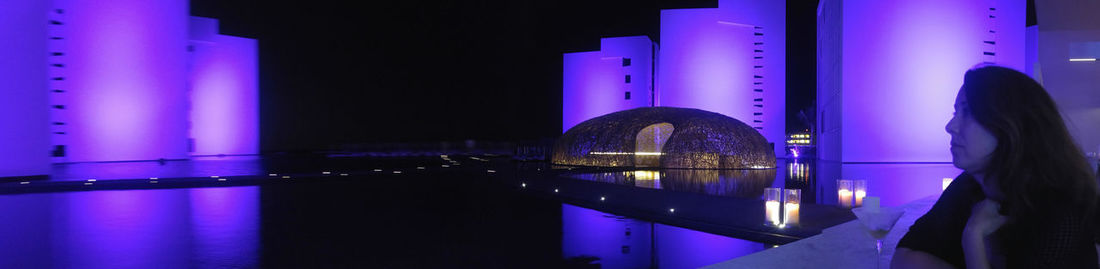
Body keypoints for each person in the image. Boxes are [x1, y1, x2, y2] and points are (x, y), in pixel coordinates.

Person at [891, 65, 1099, 268]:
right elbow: (904, 258)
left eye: (969, 113)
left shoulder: (1059, 213)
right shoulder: (968, 186)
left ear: (1011, 126)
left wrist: (973, 238)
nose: (950, 126)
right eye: (956, 113)